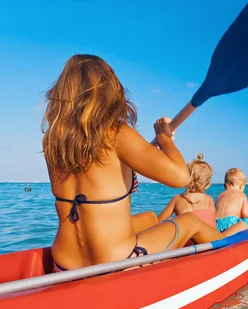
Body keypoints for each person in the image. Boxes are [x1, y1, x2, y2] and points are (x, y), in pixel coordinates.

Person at [42, 54, 224, 272]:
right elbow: (180, 177)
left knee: (149, 218)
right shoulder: (117, 133)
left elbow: (97, 182)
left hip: (62, 264)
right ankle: (236, 252)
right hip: (115, 263)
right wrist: (164, 137)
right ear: (109, 91)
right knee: (191, 222)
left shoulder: (54, 141)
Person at [157, 153, 216, 227]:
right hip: (209, 238)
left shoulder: (178, 199)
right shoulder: (210, 200)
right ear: (207, 183)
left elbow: (158, 221)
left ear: (186, 177)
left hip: (187, 237)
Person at [215, 168, 248, 236]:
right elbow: (245, 215)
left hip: (216, 225)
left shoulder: (219, 196)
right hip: (231, 223)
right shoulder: (242, 195)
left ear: (224, 185)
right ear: (241, 186)